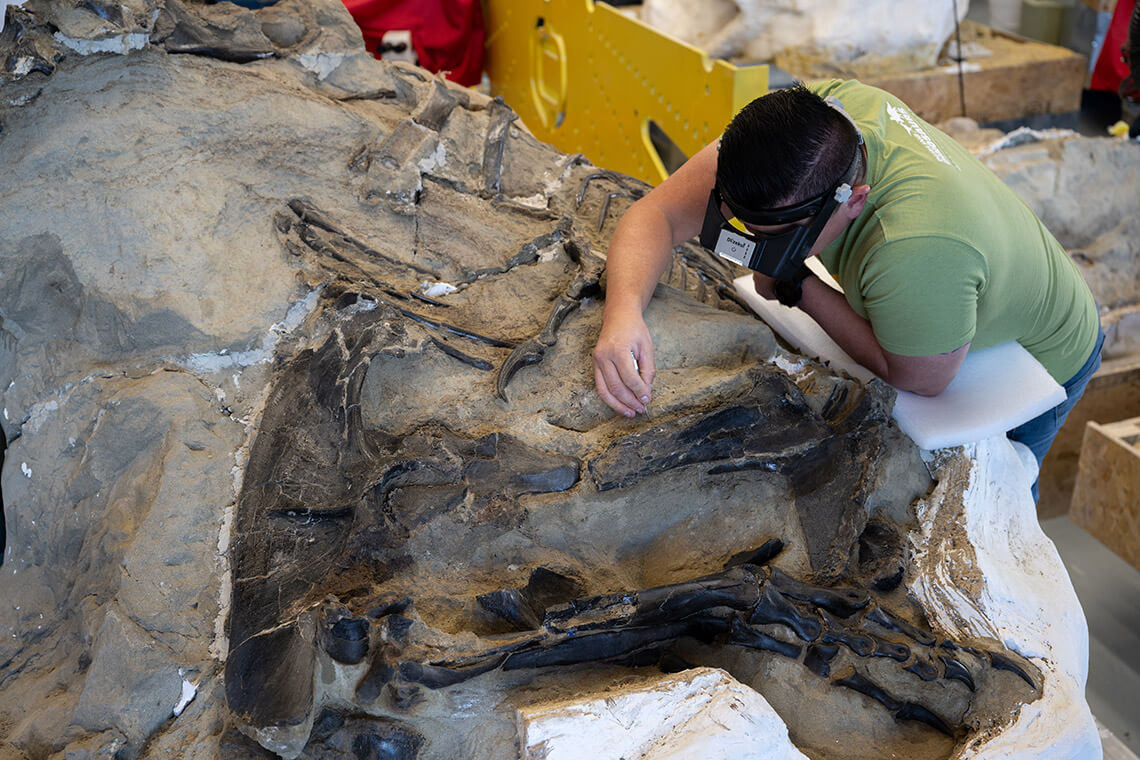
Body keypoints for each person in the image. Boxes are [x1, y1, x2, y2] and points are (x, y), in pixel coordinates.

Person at [593, 80, 1102, 493]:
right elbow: (655, 214)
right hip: (958, 280)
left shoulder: (915, 247)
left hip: (1041, 356)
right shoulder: (818, 122)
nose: (763, 245)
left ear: (853, 202)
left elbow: (921, 378)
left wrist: (798, 286)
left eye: (783, 237)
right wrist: (622, 316)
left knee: (999, 498)